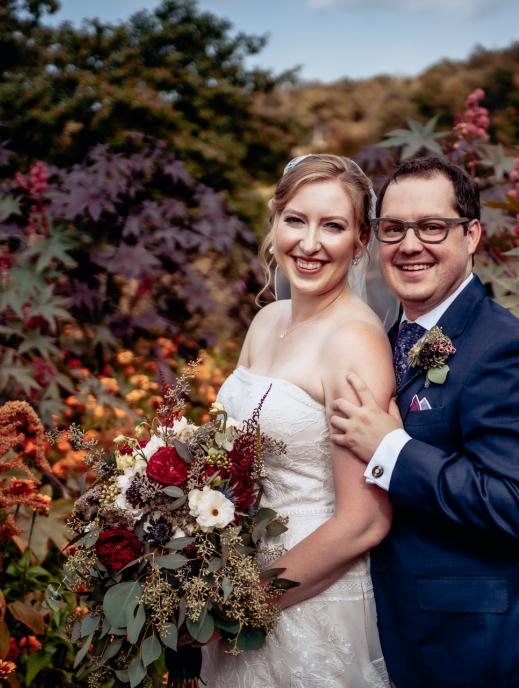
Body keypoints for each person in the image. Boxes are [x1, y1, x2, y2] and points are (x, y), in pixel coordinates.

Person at [329, 156, 519, 687]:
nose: (409, 244)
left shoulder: (505, 349)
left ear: (472, 235)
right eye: (393, 228)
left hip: (480, 645)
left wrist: (392, 450)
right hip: (384, 632)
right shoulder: (382, 340)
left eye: (432, 227)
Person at [201, 154, 393, 687]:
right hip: (232, 581)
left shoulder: (354, 341)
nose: (309, 244)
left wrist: (247, 604)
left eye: (332, 226)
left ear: (359, 243)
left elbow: (366, 520)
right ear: (275, 222)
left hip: (308, 597)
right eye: (296, 220)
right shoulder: (266, 321)